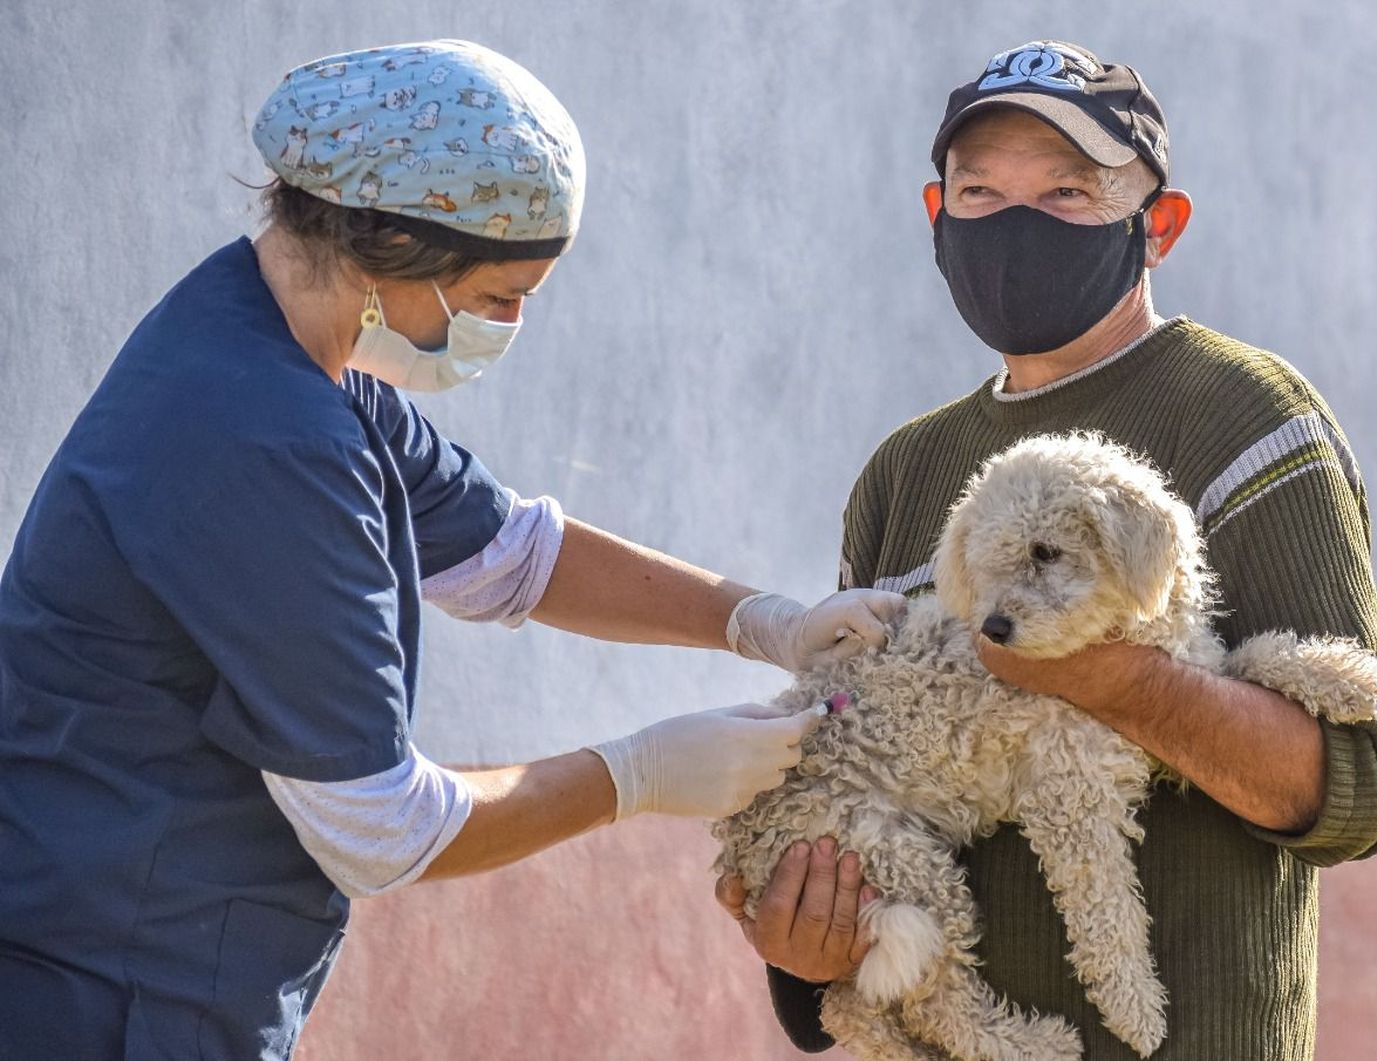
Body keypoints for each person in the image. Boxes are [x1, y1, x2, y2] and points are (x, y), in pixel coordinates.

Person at [0, 40, 907, 1059]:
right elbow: (381, 829)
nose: (513, 324)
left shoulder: (286, 348)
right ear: (395, 248)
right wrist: (638, 773)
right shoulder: (264, 440)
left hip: (157, 968)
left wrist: (763, 622)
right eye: (500, 294)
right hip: (108, 991)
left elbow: (511, 551)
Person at [717, 40, 1377, 1059]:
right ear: (936, 217)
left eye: (1068, 192)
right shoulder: (905, 473)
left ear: (1157, 227)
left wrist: (1106, 675)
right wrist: (807, 945)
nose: (1015, 225)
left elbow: (1359, 787)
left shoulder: (1248, 417)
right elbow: (853, 749)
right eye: (982, 191)